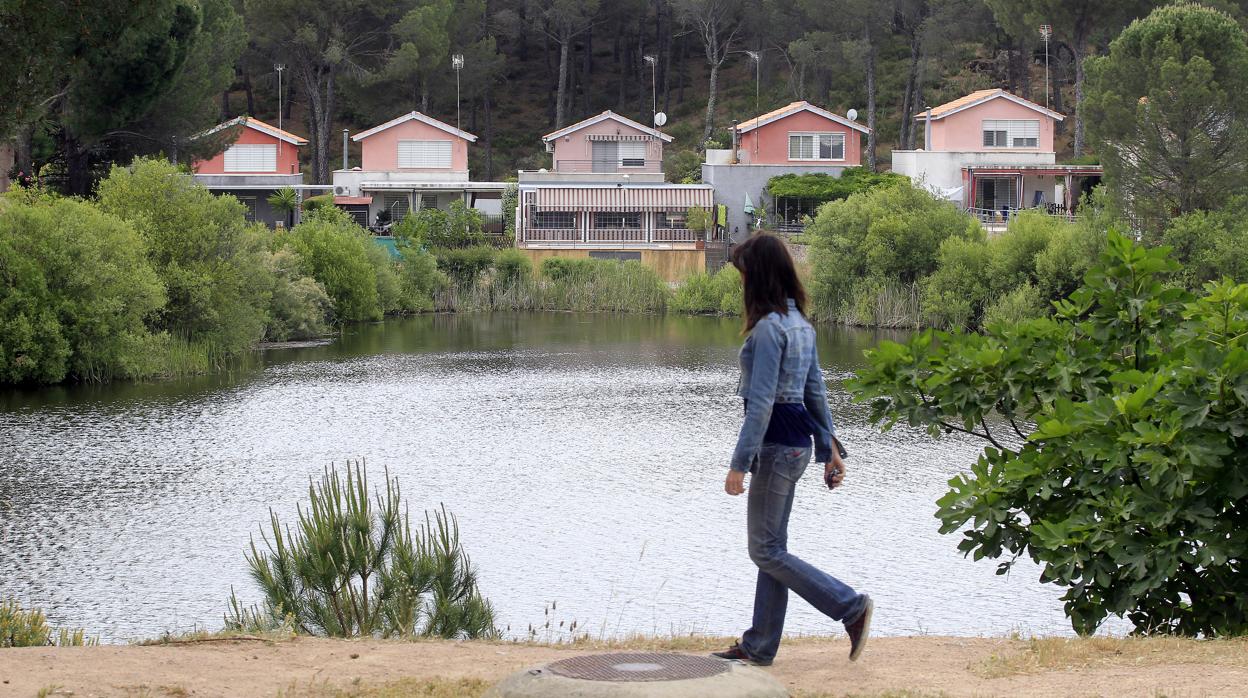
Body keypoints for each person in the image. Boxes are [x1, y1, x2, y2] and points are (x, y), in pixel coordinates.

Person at [712, 233, 873, 667]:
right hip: (796, 447)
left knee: (764, 550)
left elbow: (762, 403)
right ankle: (759, 645)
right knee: (774, 548)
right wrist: (830, 448)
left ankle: (849, 606)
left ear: (759, 275)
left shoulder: (769, 329)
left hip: (776, 446)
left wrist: (738, 464)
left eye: (744, 273)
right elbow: (815, 391)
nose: (741, 281)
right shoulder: (800, 323)